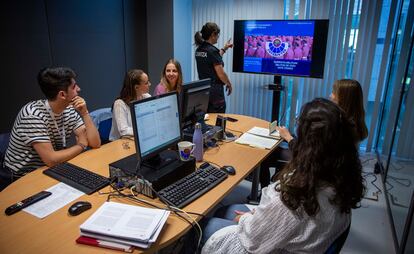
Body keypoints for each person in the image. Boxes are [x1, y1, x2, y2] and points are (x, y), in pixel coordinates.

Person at [193, 98, 365, 253]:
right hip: (304, 237)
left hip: (266, 243)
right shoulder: (340, 176)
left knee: (199, 229)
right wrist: (264, 216)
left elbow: (255, 237)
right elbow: (278, 217)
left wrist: (245, 218)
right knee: (225, 210)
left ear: (308, 145)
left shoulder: (298, 193)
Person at [1, 67, 101, 187]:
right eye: (74, 87)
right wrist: (81, 145)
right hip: (20, 176)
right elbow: (51, 159)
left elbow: (95, 143)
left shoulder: (69, 109)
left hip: (47, 170)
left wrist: (85, 113)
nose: (79, 89)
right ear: (62, 94)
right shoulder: (32, 114)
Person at [260, 78, 368, 188]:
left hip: (316, 165)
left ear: (344, 98)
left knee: (265, 156)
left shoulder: (336, 126)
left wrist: (288, 137)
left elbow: (308, 152)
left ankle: (264, 191)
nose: (330, 96)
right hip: (328, 167)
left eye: (334, 93)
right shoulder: (355, 123)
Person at [194, 22, 234, 113]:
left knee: (207, 117)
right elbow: (221, 74)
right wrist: (229, 83)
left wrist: (224, 49)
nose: (218, 37)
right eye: (218, 34)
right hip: (215, 92)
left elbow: (212, 59)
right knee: (217, 119)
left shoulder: (199, 50)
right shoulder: (212, 51)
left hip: (204, 90)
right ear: (213, 34)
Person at [109, 69, 151, 141]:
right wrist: (145, 130)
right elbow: (124, 131)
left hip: (140, 139)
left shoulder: (146, 97)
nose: (150, 84)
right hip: (121, 143)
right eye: (146, 83)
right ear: (136, 87)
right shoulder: (119, 104)